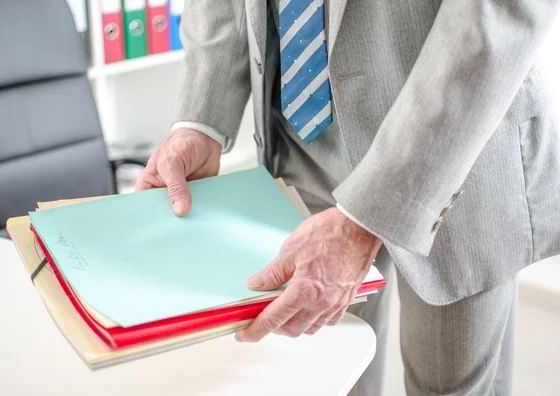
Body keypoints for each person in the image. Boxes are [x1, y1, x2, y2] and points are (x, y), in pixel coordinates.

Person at [136, 1, 560, 394]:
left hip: (456, 160)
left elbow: (497, 16)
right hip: (304, 142)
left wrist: (364, 218)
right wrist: (200, 120)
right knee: (329, 379)